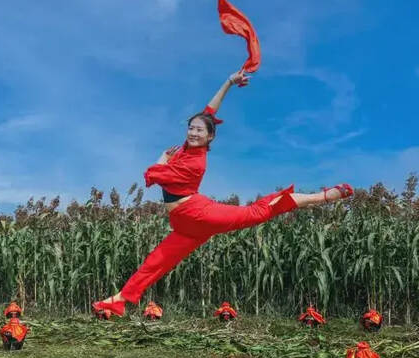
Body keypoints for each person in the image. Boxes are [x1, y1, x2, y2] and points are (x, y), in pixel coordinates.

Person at [92, 70, 354, 317]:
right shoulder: (185, 150)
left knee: (257, 211)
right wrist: (229, 82)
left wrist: (161, 159)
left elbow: (152, 174)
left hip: (197, 214)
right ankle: (119, 301)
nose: (193, 132)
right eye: (191, 128)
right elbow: (209, 111)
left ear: (210, 138)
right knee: (156, 261)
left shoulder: (194, 162)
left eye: (199, 131)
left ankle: (323, 197)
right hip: (184, 225)